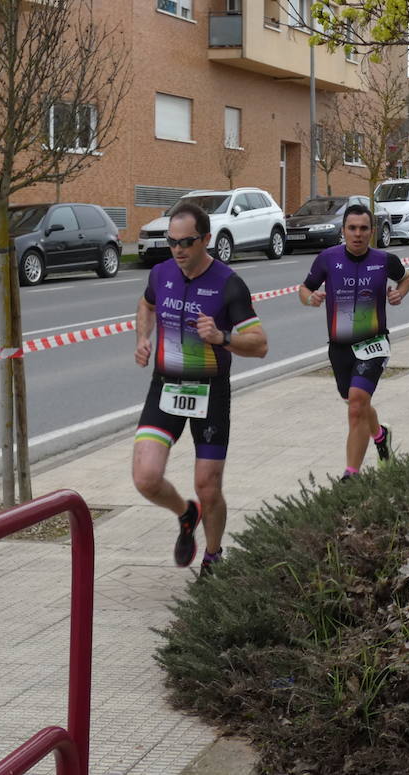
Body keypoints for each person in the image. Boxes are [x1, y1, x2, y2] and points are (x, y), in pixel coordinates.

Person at [132, 201, 268, 577]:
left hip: (210, 392)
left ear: (206, 239)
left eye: (186, 242)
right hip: (166, 387)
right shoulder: (161, 274)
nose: (177, 249)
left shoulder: (228, 284)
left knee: (208, 485)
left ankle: (212, 555)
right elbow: (145, 306)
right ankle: (185, 513)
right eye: (171, 241)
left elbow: (259, 344)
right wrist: (143, 339)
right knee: (145, 477)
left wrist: (222, 336)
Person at [300, 204, 409, 478]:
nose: (358, 234)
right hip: (339, 348)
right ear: (344, 231)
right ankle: (380, 434)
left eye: (364, 228)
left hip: (373, 344)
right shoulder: (328, 258)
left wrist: (400, 293)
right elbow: (305, 288)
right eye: (352, 228)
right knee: (356, 403)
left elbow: (406, 278)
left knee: (356, 403)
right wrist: (310, 299)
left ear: (372, 232)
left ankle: (351, 474)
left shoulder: (384, 259)